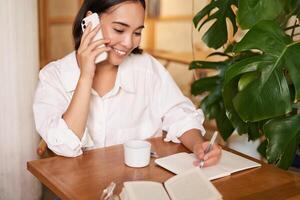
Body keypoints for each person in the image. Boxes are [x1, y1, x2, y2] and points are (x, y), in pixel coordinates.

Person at [33, 0, 222, 167]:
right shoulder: (54, 76)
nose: (128, 42)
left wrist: (199, 144)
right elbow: (65, 145)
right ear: (91, 22)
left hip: (140, 185)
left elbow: (180, 115)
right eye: (119, 29)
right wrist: (85, 77)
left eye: (137, 32)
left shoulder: (147, 68)